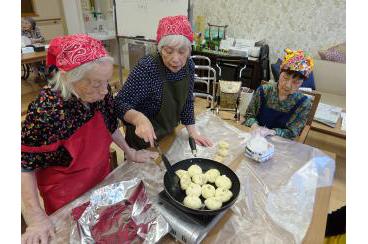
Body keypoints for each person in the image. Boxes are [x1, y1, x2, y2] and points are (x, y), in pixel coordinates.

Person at [21, 34, 157, 244]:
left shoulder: (101, 93)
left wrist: (130, 152)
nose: (105, 91)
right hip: (65, 196)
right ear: (69, 78)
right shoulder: (47, 110)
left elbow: (110, 124)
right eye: (95, 84)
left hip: (100, 181)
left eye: (106, 82)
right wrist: (35, 218)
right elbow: (24, 165)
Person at [114, 15, 213, 149]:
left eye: (182, 52)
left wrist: (193, 132)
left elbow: (187, 102)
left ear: (189, 51)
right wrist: (138, 119)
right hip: (142, 142)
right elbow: (119, 103)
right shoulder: (148, 67)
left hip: (169, 135)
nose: (175, 59)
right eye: (169, 51)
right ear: (160, 49)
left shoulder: (188, 66)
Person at [243, 48, 314, 139]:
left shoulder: (304, 104)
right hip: (255, 136)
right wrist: (255, 126)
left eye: (295, 82)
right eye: (285, 78)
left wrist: (271, 132)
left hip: (281, 144)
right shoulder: (263, 91)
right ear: (279, 74)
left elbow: (293, 132)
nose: (288, 86)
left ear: (302, 83)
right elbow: (249, 115)